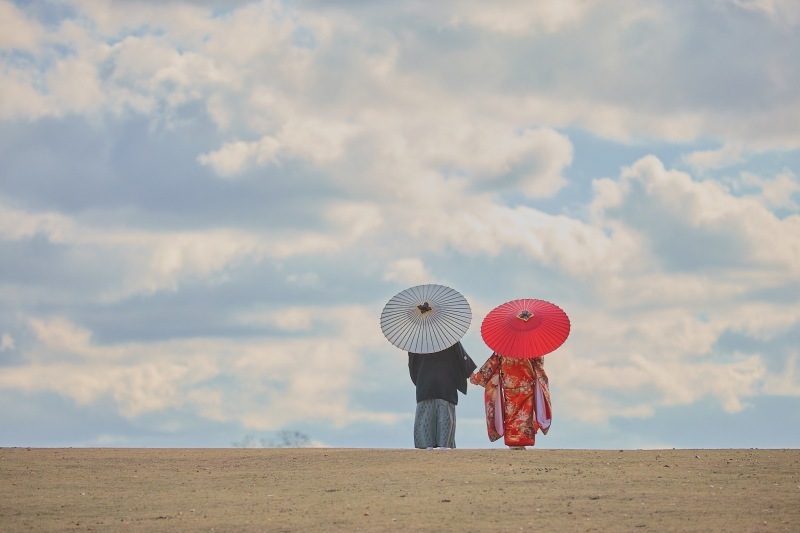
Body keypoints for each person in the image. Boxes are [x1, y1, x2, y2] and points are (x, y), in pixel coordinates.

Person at [469, 353, 551, 450]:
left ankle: (513, 441)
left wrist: (476, 378)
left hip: (510, 386)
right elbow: (539, 361)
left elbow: (491, 363)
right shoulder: (530, 347)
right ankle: (523, 442)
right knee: (525, 415)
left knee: (511, 414)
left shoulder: (503, 348)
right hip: (527, 386)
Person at [408, 341, 477, 449]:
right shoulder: (449, 337)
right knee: (445, 415)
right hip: (446, 380)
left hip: (425, 382)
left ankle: (426, 444)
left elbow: (413, 366)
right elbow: (462, 357)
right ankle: (444, 444)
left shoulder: (417, 341)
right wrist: (470, 373)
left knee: (425, 414)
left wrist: (420, 379)